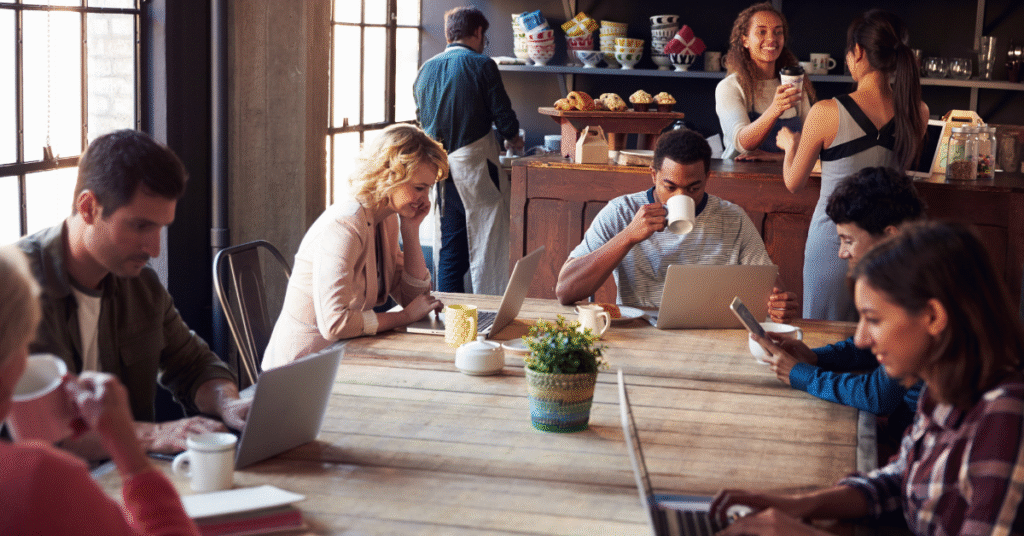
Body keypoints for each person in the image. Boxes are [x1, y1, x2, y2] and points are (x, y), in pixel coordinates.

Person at [713, 221, 1024, 536]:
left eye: (873, 319)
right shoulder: (941, 384)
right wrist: (799, 504)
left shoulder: (1006, 415)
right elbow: (902, 480)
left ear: (932, 316)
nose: (860, 339)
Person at [17, 129, 250, 459]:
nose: (154, 248)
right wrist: (153, 435)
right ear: (88, 208)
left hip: (124, 479)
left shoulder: (142, 285)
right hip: (42, 494)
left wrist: (228, 403)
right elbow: (46, 432)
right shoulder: (14, 290)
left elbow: (194, 365)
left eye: (160, 228)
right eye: (140, 226)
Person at [0, 245, 200, 536]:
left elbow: (192, 359)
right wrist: (130, 454)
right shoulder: (38, 481)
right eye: (24, 342)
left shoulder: (145, 286)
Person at [778, 9, 929, 321]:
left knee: (823, 339)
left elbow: (794, 183)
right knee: (875, 338)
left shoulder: (825, 112)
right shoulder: (919, 112)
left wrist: (790, 147)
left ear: (857, 52)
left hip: (834, 242)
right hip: (886, 244)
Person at [555, 128, 798, 321]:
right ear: (653, 175)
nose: (681, 197)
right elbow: (566, 290)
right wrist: (627, 236)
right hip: (640, 336)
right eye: (670, 187)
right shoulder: (622, 212)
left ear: (707, 178)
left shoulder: (732, 218)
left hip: (712, 337)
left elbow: (770, 289)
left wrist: (778, 305)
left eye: (694, 188)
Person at [760, 167, 926, 449]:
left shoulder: (918, 290)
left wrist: (801, 374)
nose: (842, 253)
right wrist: (816, 358)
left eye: (849, 240)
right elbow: (872, 350)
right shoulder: (912, 268)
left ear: (890, 235)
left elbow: (878, 395)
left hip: (910, 443)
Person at [262, 124, 446, 369]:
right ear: (388, 175)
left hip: (343, 356)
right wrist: (402, 317)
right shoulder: (345, 224)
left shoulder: (387, 218)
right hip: (299, 371)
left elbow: (415, 301)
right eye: (419, 188)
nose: (425, 199)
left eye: (429, 188)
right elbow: (334, 323)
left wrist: (410, 230)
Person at [414, 6, 524, 295]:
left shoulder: (426, 69)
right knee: (487, 244)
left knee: (451, 249)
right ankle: (488, 318)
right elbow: (504, 117)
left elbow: (420, 117)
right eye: (483, 37)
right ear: (477, 32)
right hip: (476, 169)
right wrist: (513, 140)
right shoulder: (482, 64)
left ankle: (449, 322)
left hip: (438, 169)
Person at [716, 2, 815, 162]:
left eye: (778, 32)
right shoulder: (730, 87)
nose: (771, 39)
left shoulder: (794, 84)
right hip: (739, 181)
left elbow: (811, 144)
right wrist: (776, 108)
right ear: (745, 41)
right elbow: (743, 144)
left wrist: (774, 157)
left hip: (788, 180)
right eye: (761, 32)